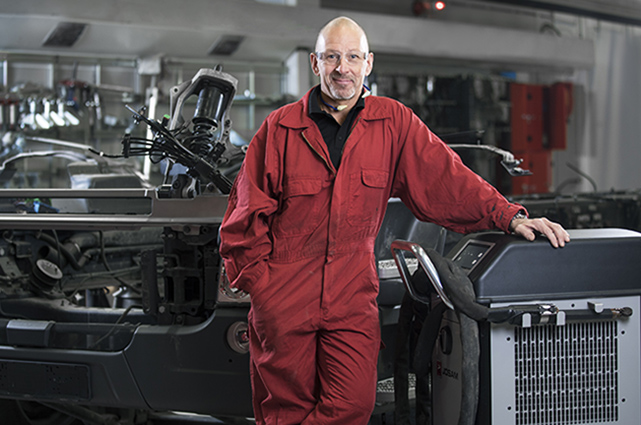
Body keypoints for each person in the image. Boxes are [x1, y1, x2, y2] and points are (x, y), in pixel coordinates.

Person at [219, 16, 570, 425]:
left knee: (353, 404)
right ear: (315, 63)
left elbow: (445, 178)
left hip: (351, 290)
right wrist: (264, 289)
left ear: (368, 63)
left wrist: (507, 216)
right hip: (286, 292)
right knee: (285, 410)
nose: (342, 68)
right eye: (331, 57)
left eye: (353, 57)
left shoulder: (392, 123)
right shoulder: (280, 129)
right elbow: (244, 217)